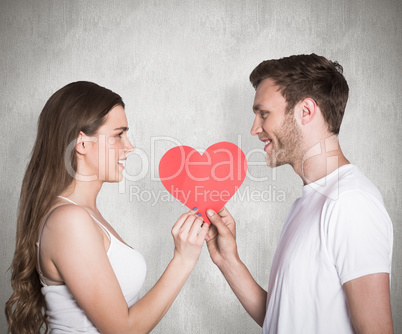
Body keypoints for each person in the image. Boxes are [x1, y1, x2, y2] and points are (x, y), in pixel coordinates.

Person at [205, 54, 394, 333]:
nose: (254, 128)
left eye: (264, 113)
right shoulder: (308, 203)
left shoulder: (350, 202)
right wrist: (228, 261)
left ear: (305, 111)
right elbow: (283, 317)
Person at [5, 81, 209, 333]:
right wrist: (183, 260)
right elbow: (123, 329)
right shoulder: (69, 220)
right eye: (118, 135)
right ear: (81, 144)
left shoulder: (83, 215)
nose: (129, 147)